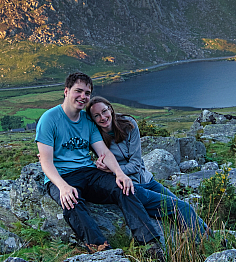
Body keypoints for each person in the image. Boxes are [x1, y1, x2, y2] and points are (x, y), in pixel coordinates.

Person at [35, 73, 164, 252]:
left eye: (87, 93)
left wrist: (120, 173)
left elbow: (103, 151)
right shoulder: (49, 120)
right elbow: (46, 162)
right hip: (62, 176)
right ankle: (101, 249)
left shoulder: (87, 121)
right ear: (66, 91)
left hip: (88, 172)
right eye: (78, 91)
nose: (83, 96)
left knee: (123, 188)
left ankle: (149, 244)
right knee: (72, 202)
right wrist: (63, 187)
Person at [86, 96, 208, 238]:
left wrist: (112, 170)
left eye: (104, 111)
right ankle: (204, 242)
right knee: (182, 208)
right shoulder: (95, 137)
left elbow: (136, 165)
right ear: (92, 119)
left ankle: (210, 236)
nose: (102, 117)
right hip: (131, 187)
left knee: (184, 207)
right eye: (96, 116)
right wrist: (98, 166)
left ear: (111, 109)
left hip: (146, 179)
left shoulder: (128, 124)